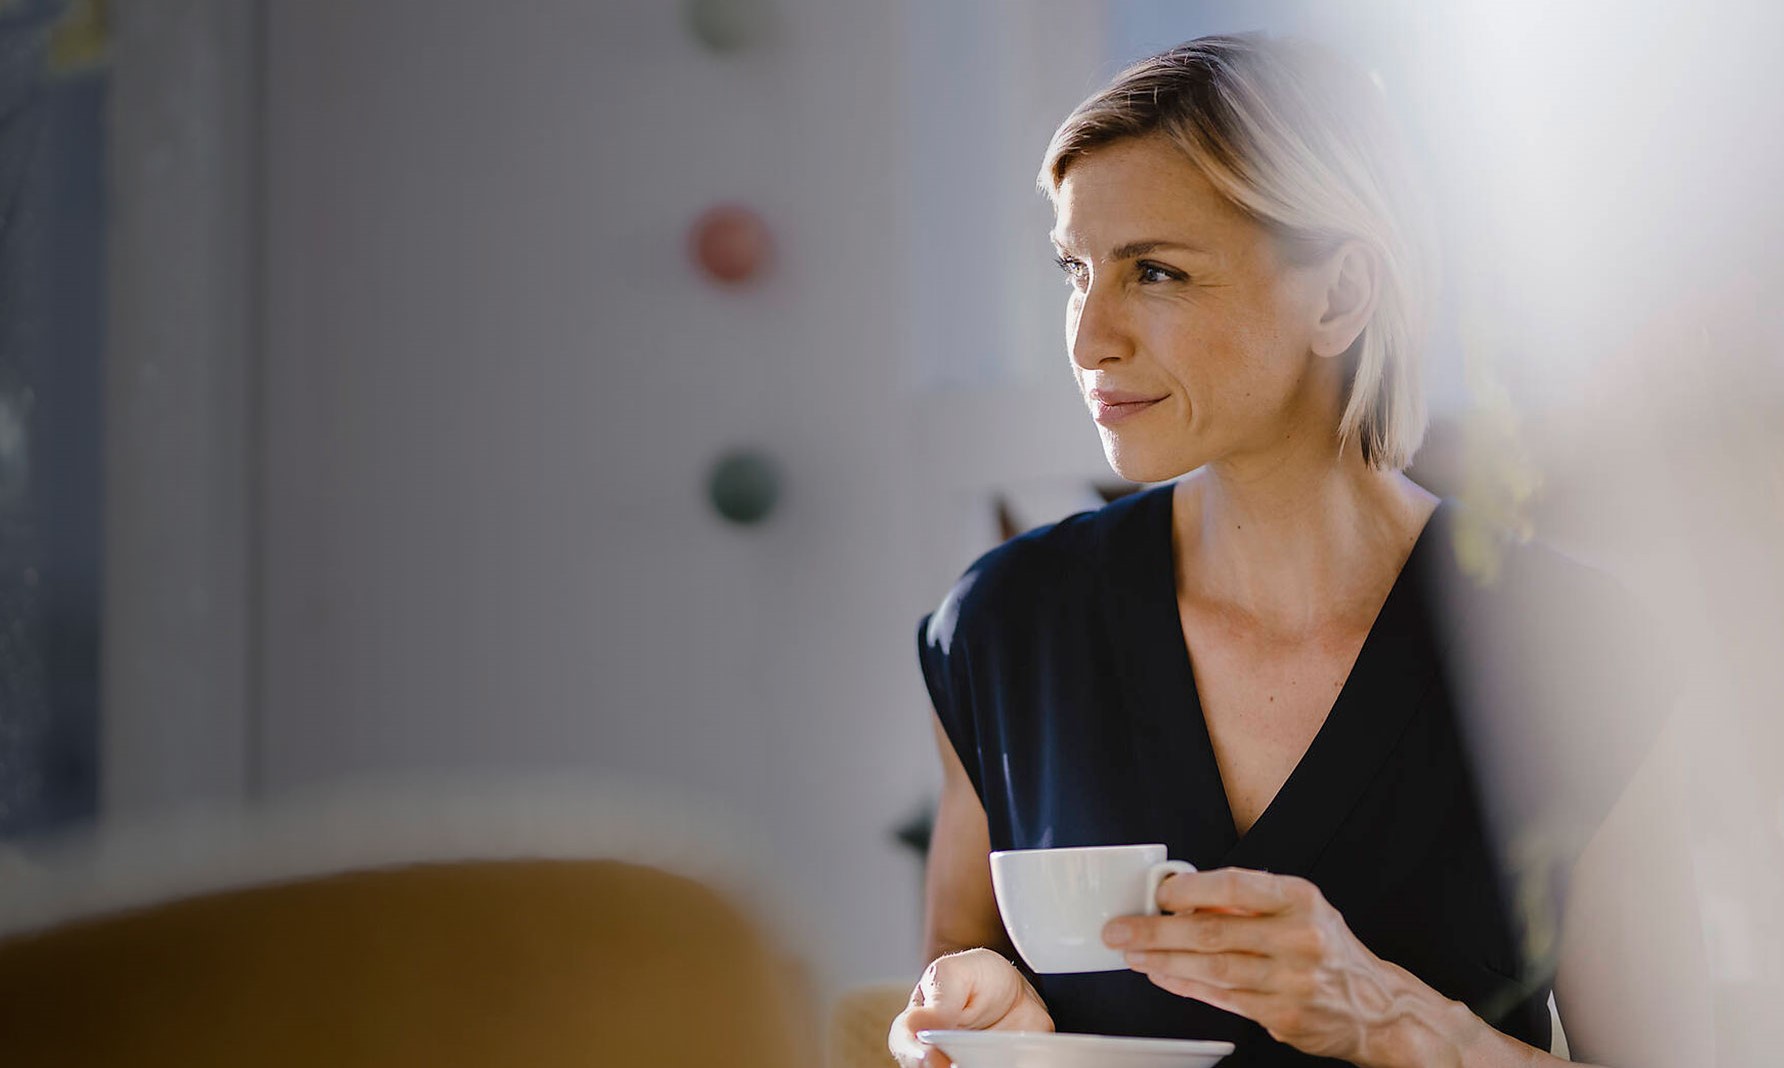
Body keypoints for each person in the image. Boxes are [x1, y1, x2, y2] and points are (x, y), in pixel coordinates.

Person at [889, 33, 1711, 1068]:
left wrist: (1394, 1019)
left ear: (1335, 297)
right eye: (1073, 270)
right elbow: (949, 989)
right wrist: (974, 1017)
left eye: (1153, 272)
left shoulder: (1571, 645)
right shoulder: (1005, 626)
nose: (1088, 335)